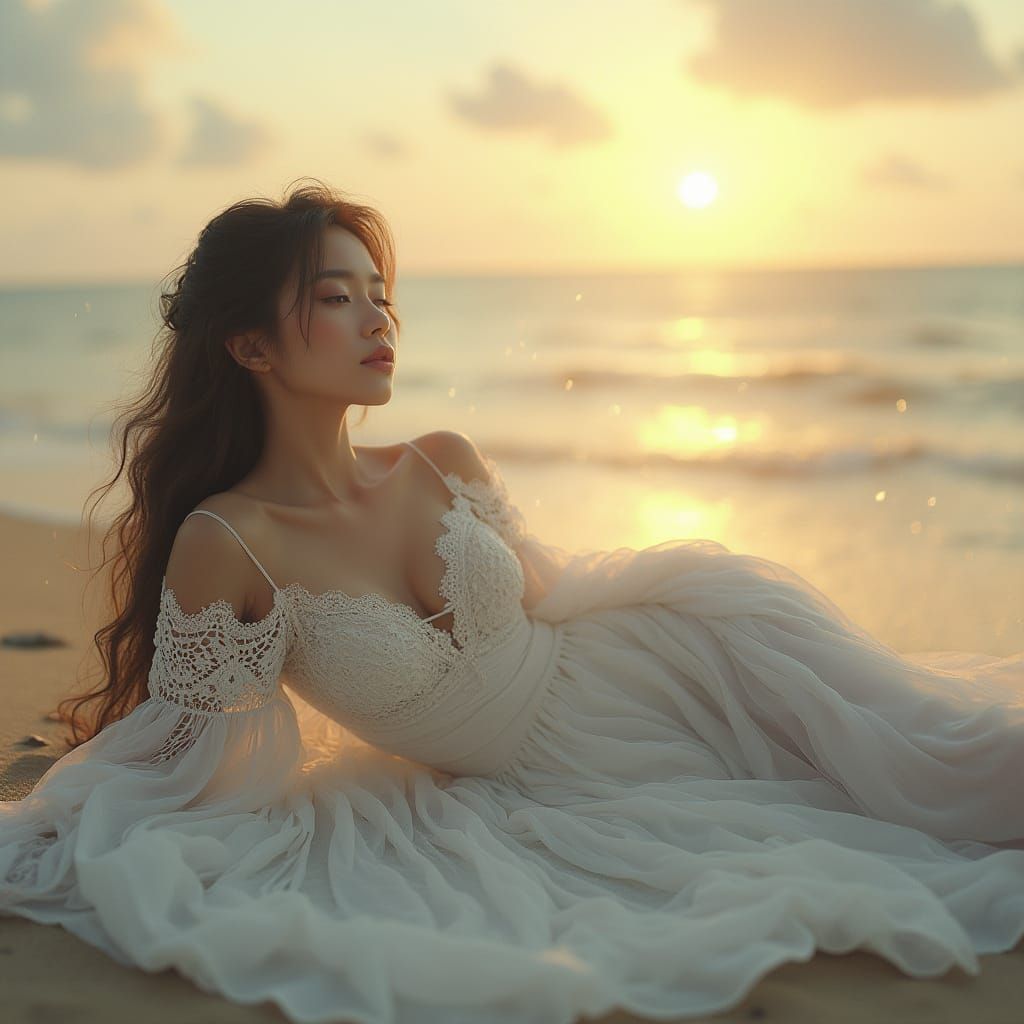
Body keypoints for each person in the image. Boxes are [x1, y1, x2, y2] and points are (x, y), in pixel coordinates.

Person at [2, 179, 1023, 1024]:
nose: (378, 319)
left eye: (380, 295)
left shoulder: (441, 460)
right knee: (864, 831)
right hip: (559, 786)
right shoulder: (231, 541)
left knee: (937, 755)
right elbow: (193, 749)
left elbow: (553, 589)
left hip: (665, 663)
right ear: (250, 346)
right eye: (337, 298)